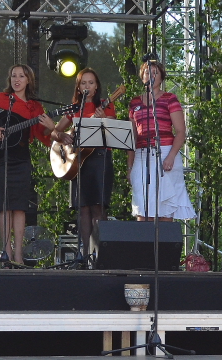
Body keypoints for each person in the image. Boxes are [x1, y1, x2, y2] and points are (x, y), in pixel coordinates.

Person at [0, 65, 56, 266]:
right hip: (1, 157)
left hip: (22, 158)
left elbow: (42, 135)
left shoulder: (35, 107)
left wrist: (52, 128)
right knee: (4, 205)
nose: (17, 79)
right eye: (13, 76)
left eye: (21, 76)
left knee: (19, 207)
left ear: (28, 80)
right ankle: (6, 252)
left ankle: (18, 255)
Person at [53, 68, 116, 259]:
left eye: (91, 82)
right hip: (78, 161)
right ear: (79, 87)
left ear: (96, 86)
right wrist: (63, 136)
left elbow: (113, 129)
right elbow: (54, 132)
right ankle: (84, 253)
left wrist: (102, 118)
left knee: (98, 207)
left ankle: (100, 254)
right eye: (83, 83)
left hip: (100, 158)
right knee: (82, 208)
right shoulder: (74, 108)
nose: (87, 86)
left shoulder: (106, 105)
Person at [127, 60, 195, 221]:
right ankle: (144, 238)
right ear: (142, 76)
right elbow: (132, 137)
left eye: (155, 73)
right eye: (147, 72)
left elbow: (180, 132)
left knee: (165, 207)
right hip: (141, 155)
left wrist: (171, 156)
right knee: (142, 207)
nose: (150, 75)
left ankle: (164, 238)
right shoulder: (135, 102)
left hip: (164, 152)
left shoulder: (170, 99)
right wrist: (130, 166)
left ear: (161, 77)